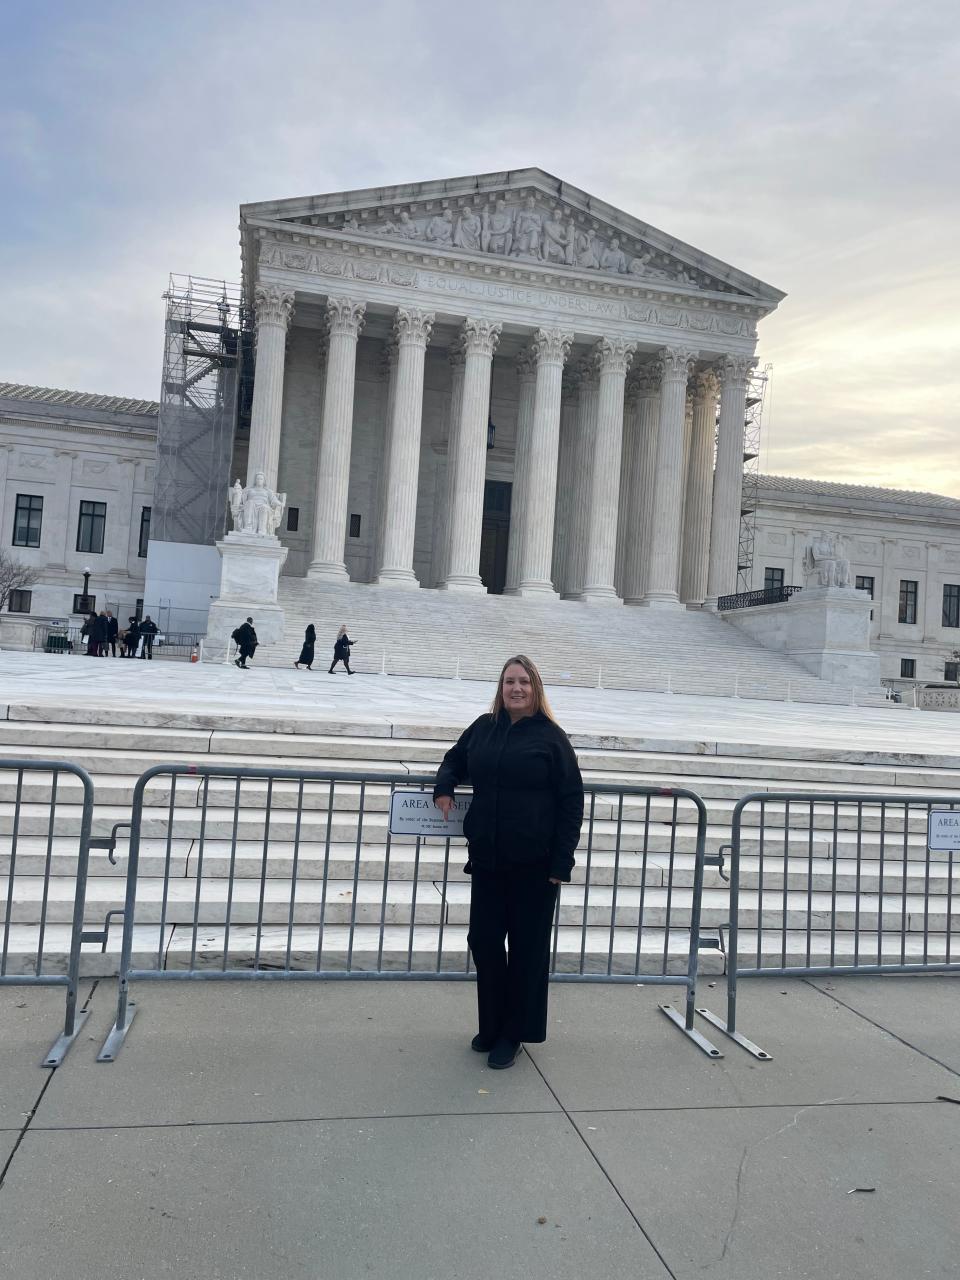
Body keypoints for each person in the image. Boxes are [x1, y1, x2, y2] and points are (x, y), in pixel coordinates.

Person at [432, 654, 584, 1070]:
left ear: (536, 688)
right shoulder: (484, 727)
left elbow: (572, 801)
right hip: (488, 859)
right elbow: (455, 758)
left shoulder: (552, 738)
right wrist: (444, 784)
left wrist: (561, 863)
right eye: (509, 682)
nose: (516, 689)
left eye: (524, 682)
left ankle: (514, 1033)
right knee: (482, 941)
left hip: (536, 865)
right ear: (501, 688)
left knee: (527, 951)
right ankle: (492, 1022)